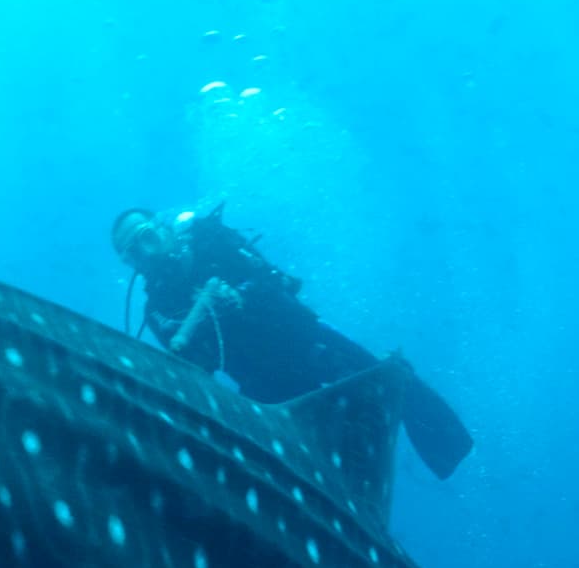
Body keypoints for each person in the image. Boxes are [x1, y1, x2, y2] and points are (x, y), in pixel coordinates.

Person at [109, 205, 474, 479]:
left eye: (146, 238)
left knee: (391, 384)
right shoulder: (158, 308)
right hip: (266, 386)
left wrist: (239, 296)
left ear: (162, 228)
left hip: (306, 342)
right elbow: (196, 371)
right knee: (319, 462)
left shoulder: (210, 241)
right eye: (133, 254)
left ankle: (455, 453)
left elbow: (274, 279)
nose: (146, 254)